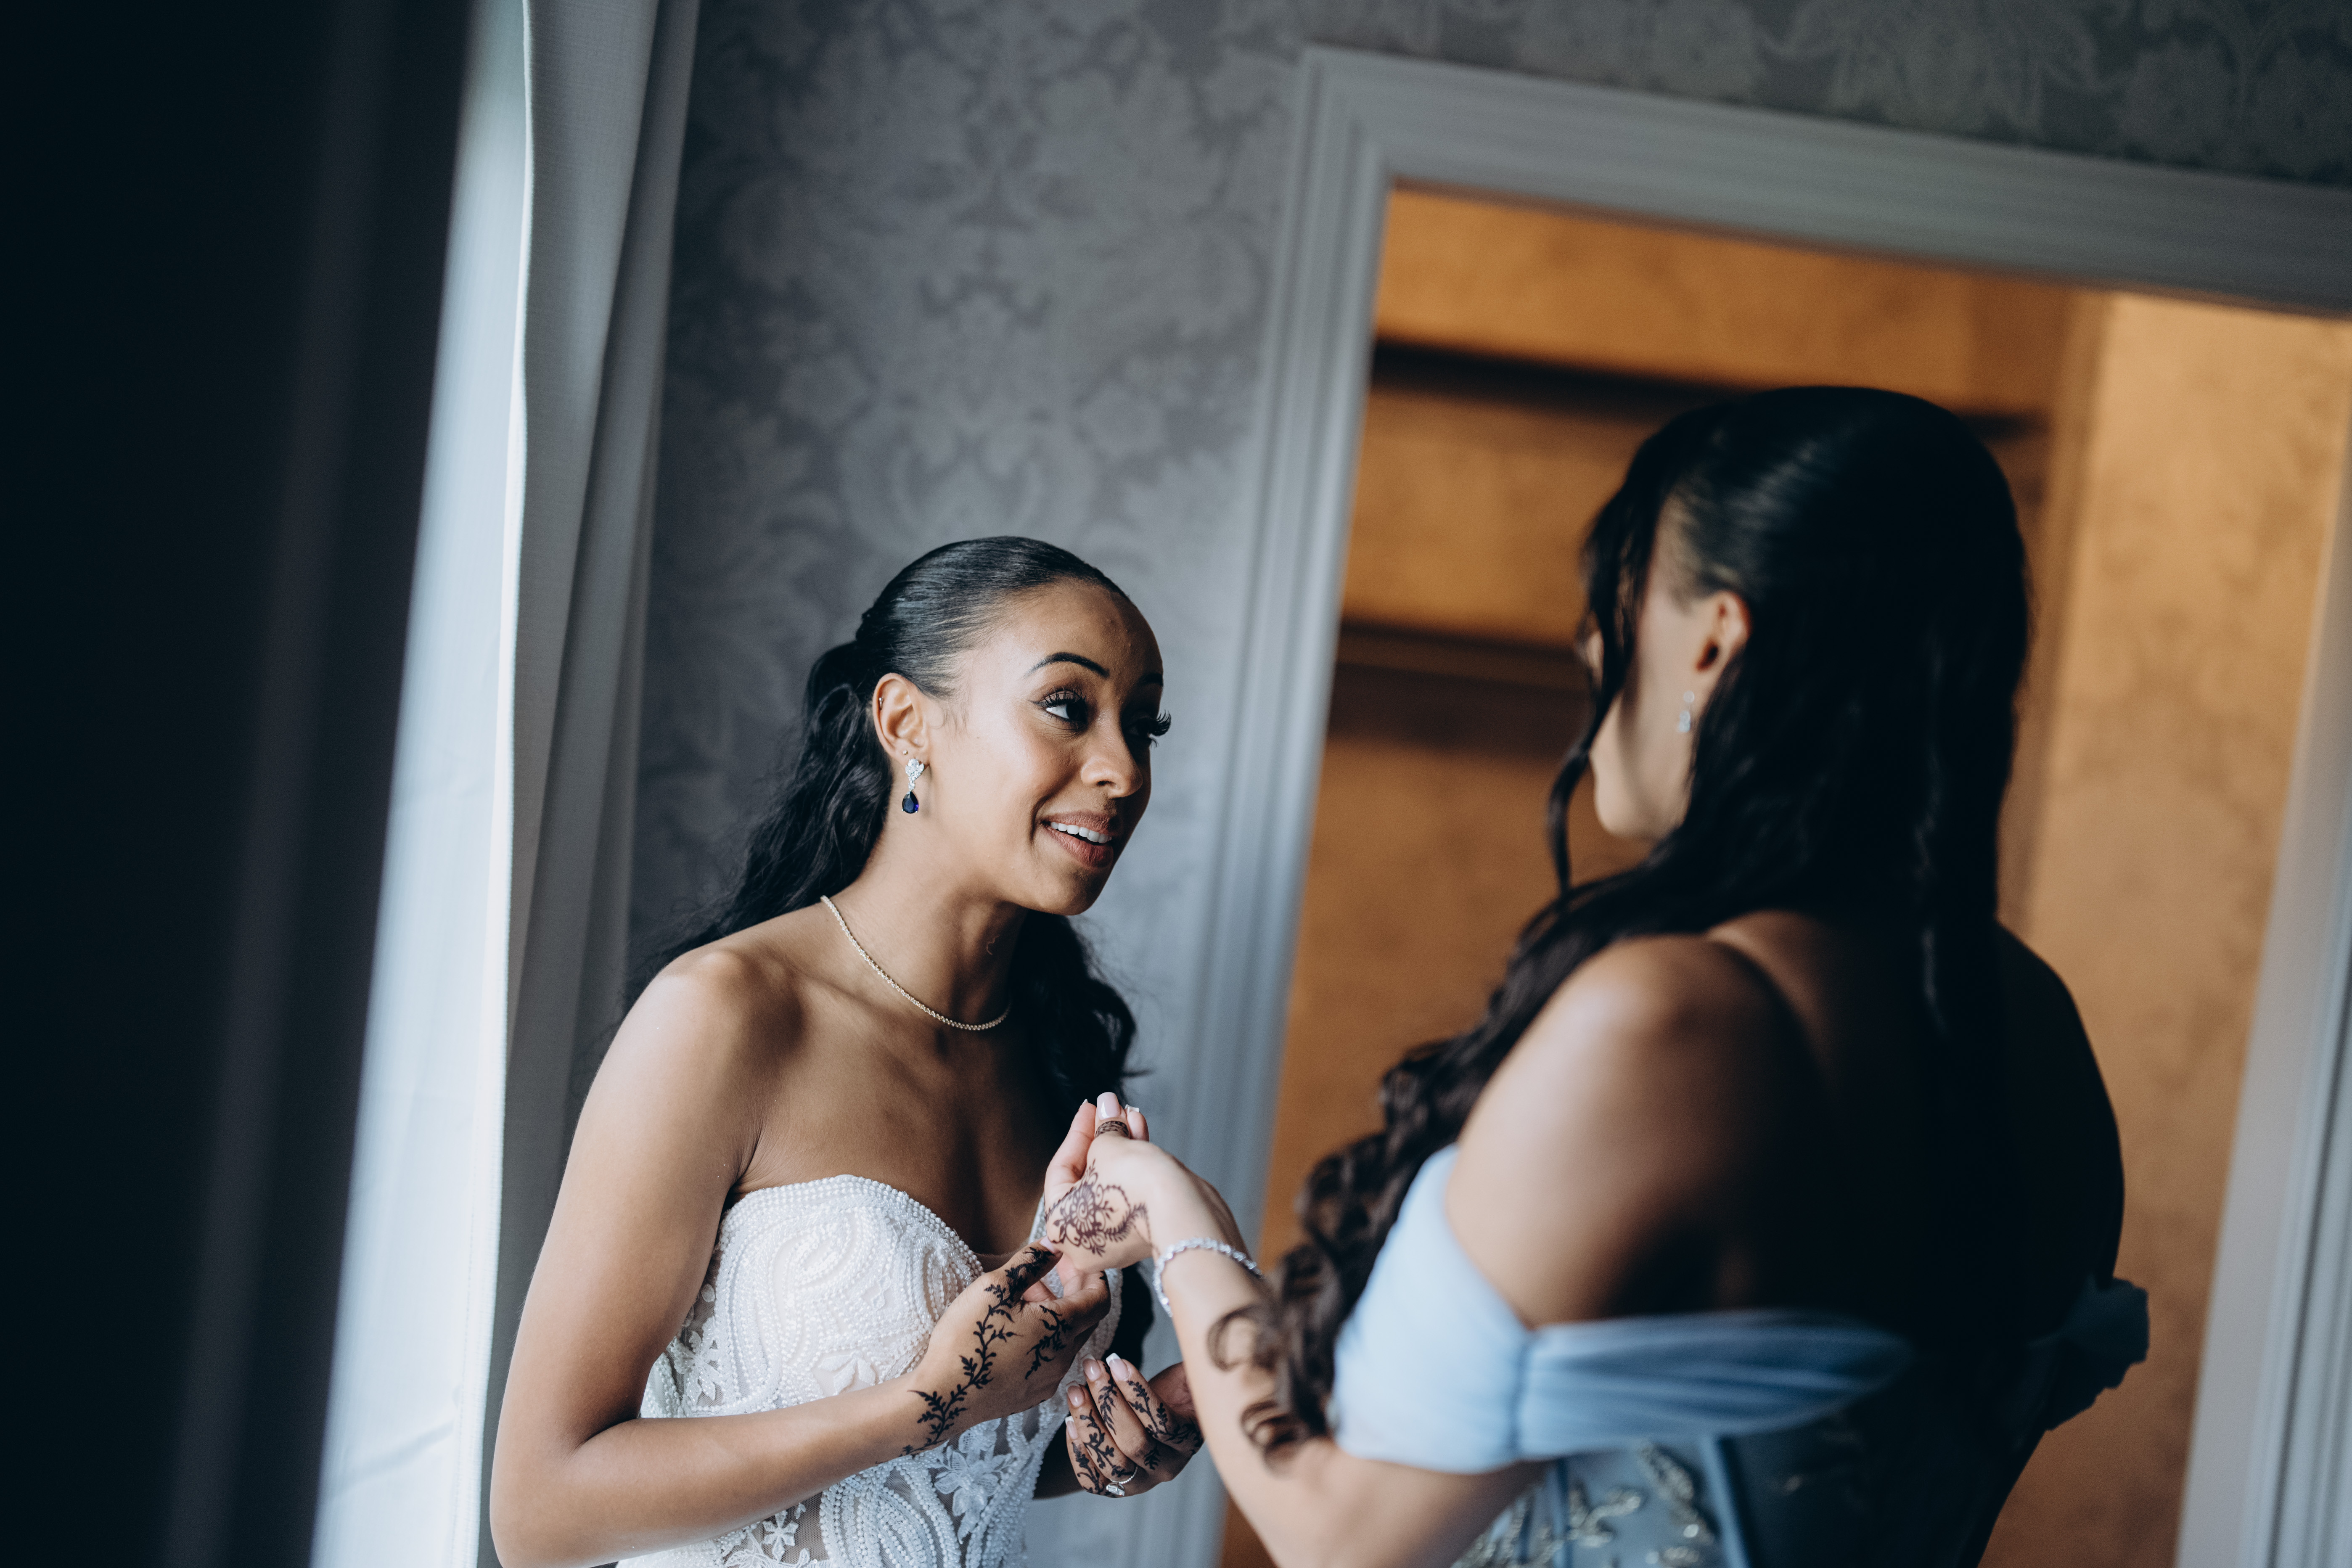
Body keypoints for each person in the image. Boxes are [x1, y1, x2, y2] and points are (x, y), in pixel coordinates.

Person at [1041, 389, 2147, 1568]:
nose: (1586, 648)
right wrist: (1222, 1379)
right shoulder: (2032, 1025)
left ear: (1712, 640)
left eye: (1616, 602)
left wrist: (1176, 1219)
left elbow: (1342, 1531)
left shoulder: (1678, 1023)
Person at [489, 537, 1198, 1568]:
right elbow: (541, 1510)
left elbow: (944, 1469)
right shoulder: (726, 1015)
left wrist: (1094, 1449)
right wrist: (932, 1396)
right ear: (906, 722)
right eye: (1066, 706)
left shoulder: (1057, 1056)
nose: (1123, 770)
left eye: (1142, 725)